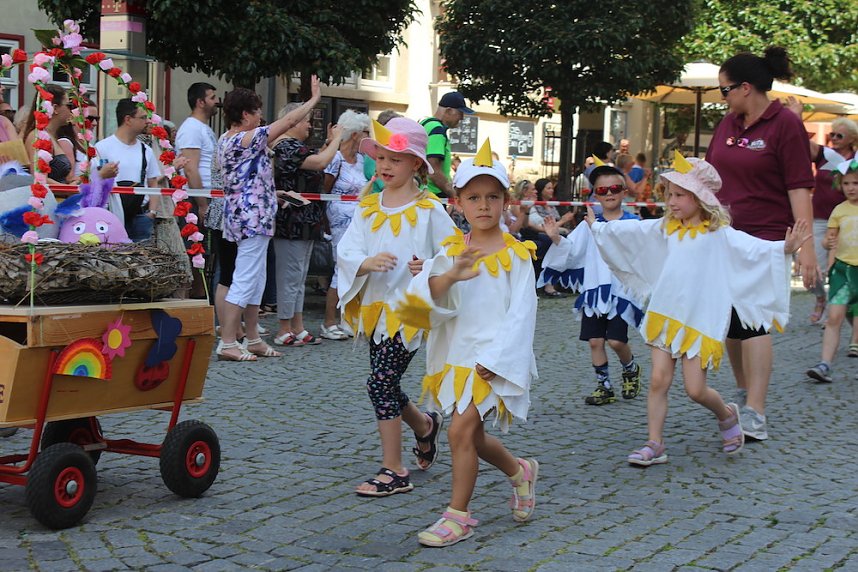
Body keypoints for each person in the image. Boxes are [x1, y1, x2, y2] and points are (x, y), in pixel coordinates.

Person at [587, 155, 809, 466]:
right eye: (669, 194)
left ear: (700, 198)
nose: (671, 201)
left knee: (695, 389)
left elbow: (750, 248)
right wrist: (601, 230)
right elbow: (634, 234)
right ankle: (655, 443)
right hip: (666, 315)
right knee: (658, 380)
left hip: (698, 322)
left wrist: (783, 249)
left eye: (679, 195)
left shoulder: (718, 234)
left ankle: (727, 414)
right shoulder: (666, 228)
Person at [396, 140, 538, 547]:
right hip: (457, 357)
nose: (484, 205)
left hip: (493, 360)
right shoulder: (454, 250)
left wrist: (500, 359)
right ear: (458, 202)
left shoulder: (517, 254)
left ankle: (457, 516)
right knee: (471, 438)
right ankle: (519, 472)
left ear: (505, 201)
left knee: (459, 433)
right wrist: (452, 276)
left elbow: (523, 313)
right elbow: (428, 293)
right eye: (474, 197)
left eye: (493, 197)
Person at [336, 117, 456, 496]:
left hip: (409, 312)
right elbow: (348, 247)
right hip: (376, 309)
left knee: (380, 382)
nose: (386, 166)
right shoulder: (369, 207)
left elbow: (453, 251)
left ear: (417, 165)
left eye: (396, 159)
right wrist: (363, 263)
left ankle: (394, 469)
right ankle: (424, 426)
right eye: (382, 158)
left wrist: (432, 266)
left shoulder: (429, 209)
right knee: (385, 384)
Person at [706, 46, 817, 441]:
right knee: (732, 323)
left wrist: (806, 249)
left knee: (755, 320)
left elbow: (799, 187)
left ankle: (756, 409)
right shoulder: (727, 124)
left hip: (769, 237)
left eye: (724, 90)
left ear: (746, 87)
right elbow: (709, 177)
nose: (722, 97)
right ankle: (741, 391)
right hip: (725, 236)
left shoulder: (785, 124)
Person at [215, 78, 322, 361]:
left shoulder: (227, 139)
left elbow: (245, 179)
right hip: (252, 218)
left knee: (256, 280)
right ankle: (227, 342)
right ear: (246, 115)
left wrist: (275, 195)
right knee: (245, 279)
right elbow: (287, 123)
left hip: (247, 214)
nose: (261, 117)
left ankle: (252, 338)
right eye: (258, 111)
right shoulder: (244, 138)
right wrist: (312, 101)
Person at [539, 164, 644, 406]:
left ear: (624, 191)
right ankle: (604, 386)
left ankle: (630, 368)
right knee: (595, 341)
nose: (609, 193)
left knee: (617, 341)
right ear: (595, 194)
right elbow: (573, 250)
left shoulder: (634, 224)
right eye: (603, 189)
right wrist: (555, 237)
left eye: (615, 188)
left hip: (620, 292)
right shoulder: (589, 223)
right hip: (594, 292)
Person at [270, 102, 343, 347]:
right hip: (291, 221)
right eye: (306, 120)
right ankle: (283, 328)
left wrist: (328, 143)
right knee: (290, 276)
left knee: (299, 277)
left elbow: (314, 160)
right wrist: (337, 141)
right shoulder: (285, 146)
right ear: (293, 120)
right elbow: (319, 163)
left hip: (304, 219)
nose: (310, 125)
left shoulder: (296, 146)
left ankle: (297, 326)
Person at [784, 101, 858, 325]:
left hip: (847, 220)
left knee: (839, 268)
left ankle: (842, 309)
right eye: (832, 135)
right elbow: (801, 144)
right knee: (812, 265)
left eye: (839, 136)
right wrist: (796, 118)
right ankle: (820, 297)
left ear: (852, 140)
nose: (833, 139)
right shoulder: (826, 154)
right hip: (819, 216)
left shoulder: (856, 161)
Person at [320, 109, 370, 340]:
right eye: (365, 133)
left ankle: (347, 318)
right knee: (341, 269)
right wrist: (325, 223)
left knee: (356, 269)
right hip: (338, 220)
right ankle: (329, 320)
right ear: (355, 134)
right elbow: (325, 191)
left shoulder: (360, 161)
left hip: (358, 220)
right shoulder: (336, 159)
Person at [806, 160, 858, 383]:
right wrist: (828, 243)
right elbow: (830, 241)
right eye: (846, 183)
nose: (851, 188)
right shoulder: (839, 210)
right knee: (835, 316)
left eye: (856, 183)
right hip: (842, 271)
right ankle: (824, 364)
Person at [94, 98, 162, 241]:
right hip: (111, 214)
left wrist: (152, 212)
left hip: (140, 216)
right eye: (143, 117)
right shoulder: (102, 147)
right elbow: (94, 180)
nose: (148, 121)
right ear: (128, 119)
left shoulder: (146, 150)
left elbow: (153, 182)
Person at [177, 82, 220, 298]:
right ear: (200, 102)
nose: (216, 102)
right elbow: (190, 167)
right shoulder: (191, 128)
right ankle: (189, 298)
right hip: (194, 201)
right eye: (212, 97)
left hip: (206, 197)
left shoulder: (203, 128)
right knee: (193, 251)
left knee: (203, 253)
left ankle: (200, 296)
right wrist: (202, 203)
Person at [422, 91, 474, 197]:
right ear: (449, 111)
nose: (462, 118)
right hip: (434, 195)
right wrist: (454, 195)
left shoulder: (426, 124)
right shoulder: (437, 130)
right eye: (460, 113)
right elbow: (433, 170)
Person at [22, 84, 74, 184]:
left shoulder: (52, 135)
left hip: (60, 197)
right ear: (55, 108)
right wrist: (69, 189)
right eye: (69, 106)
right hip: (49, 198)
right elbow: (39, 178)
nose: (71, 111)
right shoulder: (37, 136)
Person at [529, 178, 571, 297]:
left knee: (570, 240)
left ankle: (566, 281)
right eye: (548, 188)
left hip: (553, 233)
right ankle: (549, 285)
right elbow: (538, 225)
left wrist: (562, 223)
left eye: (552, 188)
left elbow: (554, 224)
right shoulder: (534, 206)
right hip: (540, 234)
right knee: (556, 243)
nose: (552, 190)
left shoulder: (552, 206)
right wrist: (562, 221)